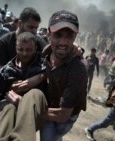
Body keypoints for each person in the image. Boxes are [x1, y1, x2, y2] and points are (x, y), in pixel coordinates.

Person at [0, 32, 48, 140]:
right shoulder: (6, 71)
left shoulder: (45, 64)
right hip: (11, 113)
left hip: (37, 115)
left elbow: (60, 67)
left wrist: (41, 76)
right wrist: (8, 91)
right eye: (21, 49)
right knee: (8, 109)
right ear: (16, 48)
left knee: (34, 94)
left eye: (29, 50)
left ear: (35, 48)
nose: (24, 53)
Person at [40, 10, 88, 141]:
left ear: (75, 37)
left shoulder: (78, 69)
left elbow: (62, 115)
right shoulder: (45, 52)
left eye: (69, 36)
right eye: (58, 35)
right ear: (49, 34)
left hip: (65, 118)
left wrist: (26, 108)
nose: (63, 42)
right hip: (50, 107)